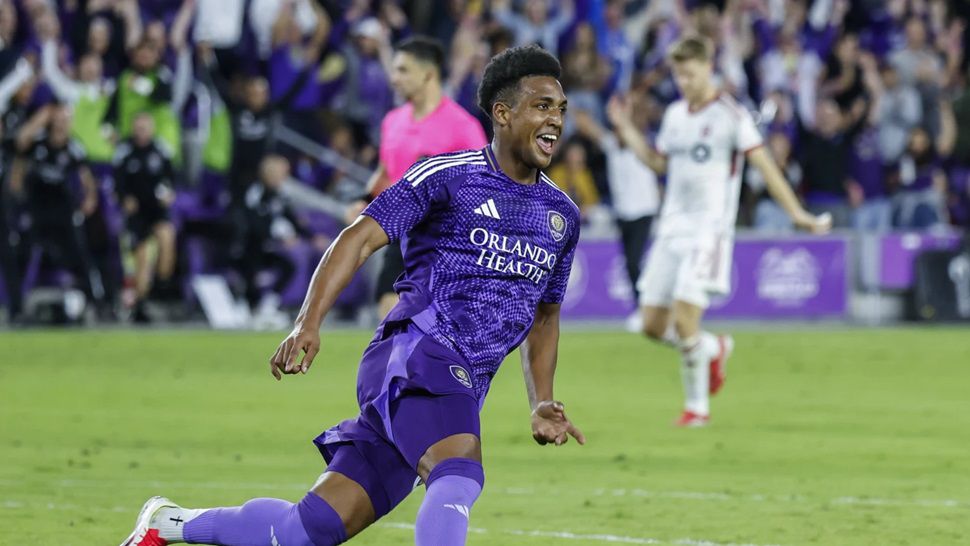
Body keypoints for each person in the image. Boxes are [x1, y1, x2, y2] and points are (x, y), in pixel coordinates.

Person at [120, 44, 584, 546]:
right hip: (418, 354)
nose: (555, 119)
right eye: (542, 106)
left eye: (560, 108)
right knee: (458, 472)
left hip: (459, 382)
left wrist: (542, 400)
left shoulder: (562, 216)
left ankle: (167, 523)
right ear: (503, 113)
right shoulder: (450, 176)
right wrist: (309, 320)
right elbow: (359, 237)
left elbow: (544, 315)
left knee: (306, 530)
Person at [607, 36, 831, 427]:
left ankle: (697, 409)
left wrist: (797, 213)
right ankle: (713, 347)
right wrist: (625, 127)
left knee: (684, 317)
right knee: (651, 325)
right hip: (671, 228)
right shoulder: (675, 115)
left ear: (708, 68)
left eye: (691, 74)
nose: (684, 82)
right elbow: (659, 165)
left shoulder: (731, 115)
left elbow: (764, 166)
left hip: (708, 231)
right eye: (679, 75)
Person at [362, 35, 487, 320]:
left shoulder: (462, 127)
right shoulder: (392, 121)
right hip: (404, 233)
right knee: (388, 310)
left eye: (403, 70)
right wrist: (364, 201)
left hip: (448, 241)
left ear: (429, 74)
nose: (394, 78)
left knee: (439, 331)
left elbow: (485, 184)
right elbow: (386, 171)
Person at [9, 104, 106, 311]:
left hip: (63, 211)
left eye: (66, 119)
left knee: (80, 255)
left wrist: (90, 199)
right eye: (59, 118)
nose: (62, 123)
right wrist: (16, 191)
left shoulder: (74, 148)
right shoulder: (37, 143)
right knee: (22, 254)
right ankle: (16, 307)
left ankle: (95, 303)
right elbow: (19, 155)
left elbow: (87, 179)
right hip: (36, 211)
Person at [113, 112, 177, 322]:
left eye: (145, 128)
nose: (141, 132)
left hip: (156, 210)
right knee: (141, 260)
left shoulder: (161, 150)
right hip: (136, 214)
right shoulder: (124, 152)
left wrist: (169, 193)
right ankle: (141, 304)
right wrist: (124, 199)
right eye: (138, 128)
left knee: (167, 238)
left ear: (151, 129)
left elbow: (172, 179)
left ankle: (161, 286)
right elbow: (117, 184)